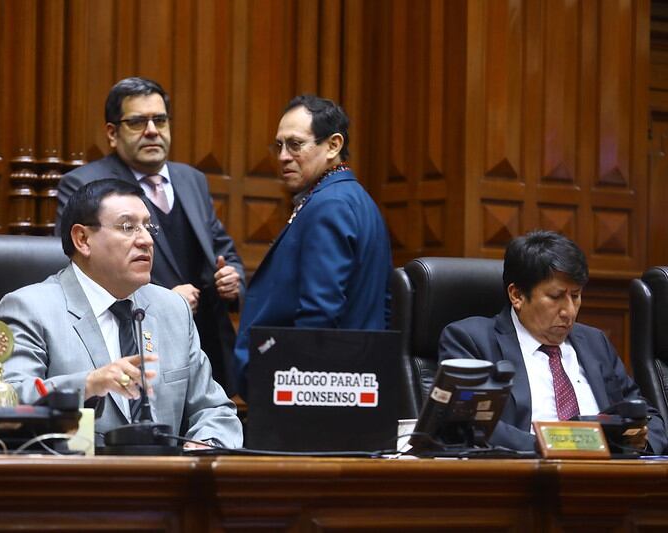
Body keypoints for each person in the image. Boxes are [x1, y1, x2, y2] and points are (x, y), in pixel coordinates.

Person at [0, 179, 242, 448]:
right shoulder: (29, 309)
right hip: (72, 483)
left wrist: (205, 443)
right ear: (83, 239)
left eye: (147, 226)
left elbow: (216, 410)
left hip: (165, 482)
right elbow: (6, 402)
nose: (145, 240)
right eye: (128, 227)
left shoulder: (172, 309)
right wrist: (88, 384)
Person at [55, 77, 244, 396]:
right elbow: (78, 271)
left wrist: (232, 277)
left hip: (207, 347)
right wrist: (166, 301)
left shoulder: (192, 179)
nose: (153, 130)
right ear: (112, 134)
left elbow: (222, 249)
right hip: (134, 342)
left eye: (160, 120)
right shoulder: (83, 184)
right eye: (138, 122)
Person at [438, 230, 667, 453]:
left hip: (607, 477)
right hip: (522, 477)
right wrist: (556, 445)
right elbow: (470, 422)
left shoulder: (594, 342)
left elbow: (647, 416)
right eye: (556, 297)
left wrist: (639, 439)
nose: (569, 311)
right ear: (516, 295)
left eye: (575, 296)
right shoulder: (471, 340)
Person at [233, 94, 392, 396]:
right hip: (353, 384)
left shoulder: (328, 205)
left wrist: (295, 394)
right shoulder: (357, 200)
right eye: (278, 145)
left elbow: (318, 316)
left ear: (333, 145)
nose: (282, 156)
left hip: (311, 391)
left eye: (295, 145)